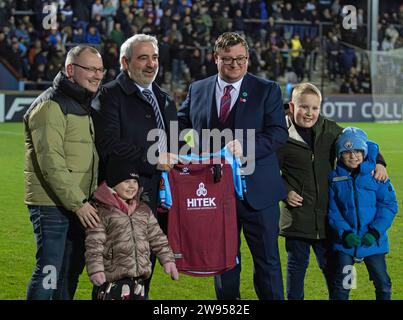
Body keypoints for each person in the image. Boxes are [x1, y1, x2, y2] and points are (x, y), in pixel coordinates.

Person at [178, 32, 288, 300]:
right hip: (215, 192)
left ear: (248, 58)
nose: (235, 64)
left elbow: (278, 133)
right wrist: (191, 147)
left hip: (258, 194)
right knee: (224, 262)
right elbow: (181, 123)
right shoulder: (198, 88)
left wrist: (247, 148)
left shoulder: (267, 89)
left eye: (241, 58)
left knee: (268, 262)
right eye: (227, 59)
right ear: (215, 58)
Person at [276, 83, 389, 300]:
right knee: (296, 270)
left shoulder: (330, 129)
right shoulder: (280, 136)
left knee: (336, 272)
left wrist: (380, 162)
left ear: (320, 108)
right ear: (292, 106)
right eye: (304, 107)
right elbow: (268, 171)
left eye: (315, 108)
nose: (309, 113)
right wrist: (285, 191)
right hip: (297, 219)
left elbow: (364, 143)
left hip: (328, 219)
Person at [91, 34, 179, 297]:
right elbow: (108, 145)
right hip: (121, 204)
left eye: (154, 57)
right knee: (115, 282)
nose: (151, 64)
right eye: (143, 58)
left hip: (157, 204)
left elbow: (175, 145)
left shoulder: (164, 98)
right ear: (124, 62)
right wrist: (153, 159)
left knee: (143, 276)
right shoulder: (108, 95)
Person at [24, 45, 104, 299]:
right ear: (71, 69)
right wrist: (79, 203)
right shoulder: (50, 105)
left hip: (78, 203)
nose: (97, 75)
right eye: (90, 69)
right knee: (49, 271)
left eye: (100, 69)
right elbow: (51, 162)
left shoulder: (83, 102)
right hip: (52, 205)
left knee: (70, 272)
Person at [85, 157, 179, 300]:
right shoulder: (102, 211)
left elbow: (158, 238)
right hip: (111, 282)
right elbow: (94, 245)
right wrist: (96, 270)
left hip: (138, 282)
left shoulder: (144, 210)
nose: (131, 186)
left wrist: (168, 260)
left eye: (135, 181)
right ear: (114, 184)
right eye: (126, 181)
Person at [328, 127, 398, 300]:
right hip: (346, 244)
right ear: (339, 154)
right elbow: (332, 211)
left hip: (373, 242)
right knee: (343, 285)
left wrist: (375, 231)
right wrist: (345, 232)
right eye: (347, 152)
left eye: (358, 151)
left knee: (382, 283)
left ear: (364, 151)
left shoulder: (377, 174)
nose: (353, 156)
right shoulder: (335, 178)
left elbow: (389, 205)